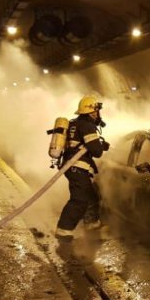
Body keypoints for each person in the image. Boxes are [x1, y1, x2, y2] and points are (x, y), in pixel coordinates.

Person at [56, 95, 109, 240]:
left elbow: (81, 143)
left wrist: (98, 144)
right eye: (96, 111)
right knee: (79, 199)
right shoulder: (87, 126)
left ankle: (91, 223)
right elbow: (96, 152)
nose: (98, 114)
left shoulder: (74, 123)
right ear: (92, 112)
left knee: (91, 196)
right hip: (77, 166)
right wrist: (102, 146)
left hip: (71, 165)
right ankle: (63, 230)